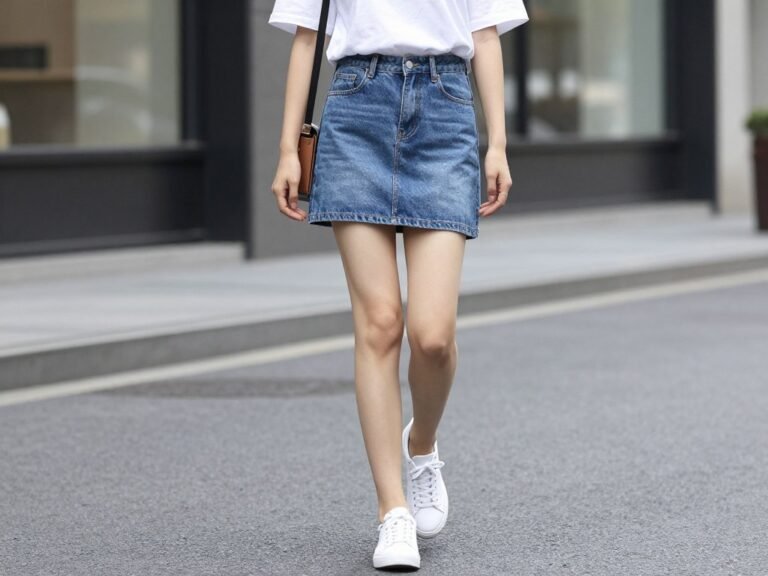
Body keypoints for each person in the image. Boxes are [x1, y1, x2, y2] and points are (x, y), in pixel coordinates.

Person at [268, 0, 528, 570]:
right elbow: (306, 38)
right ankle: (393, 512)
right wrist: (288, 149)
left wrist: (498, 144)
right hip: (356, 110)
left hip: (445, 110)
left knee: (432, 335)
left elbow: (485, 35)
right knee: (380, 323)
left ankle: (422, 443)